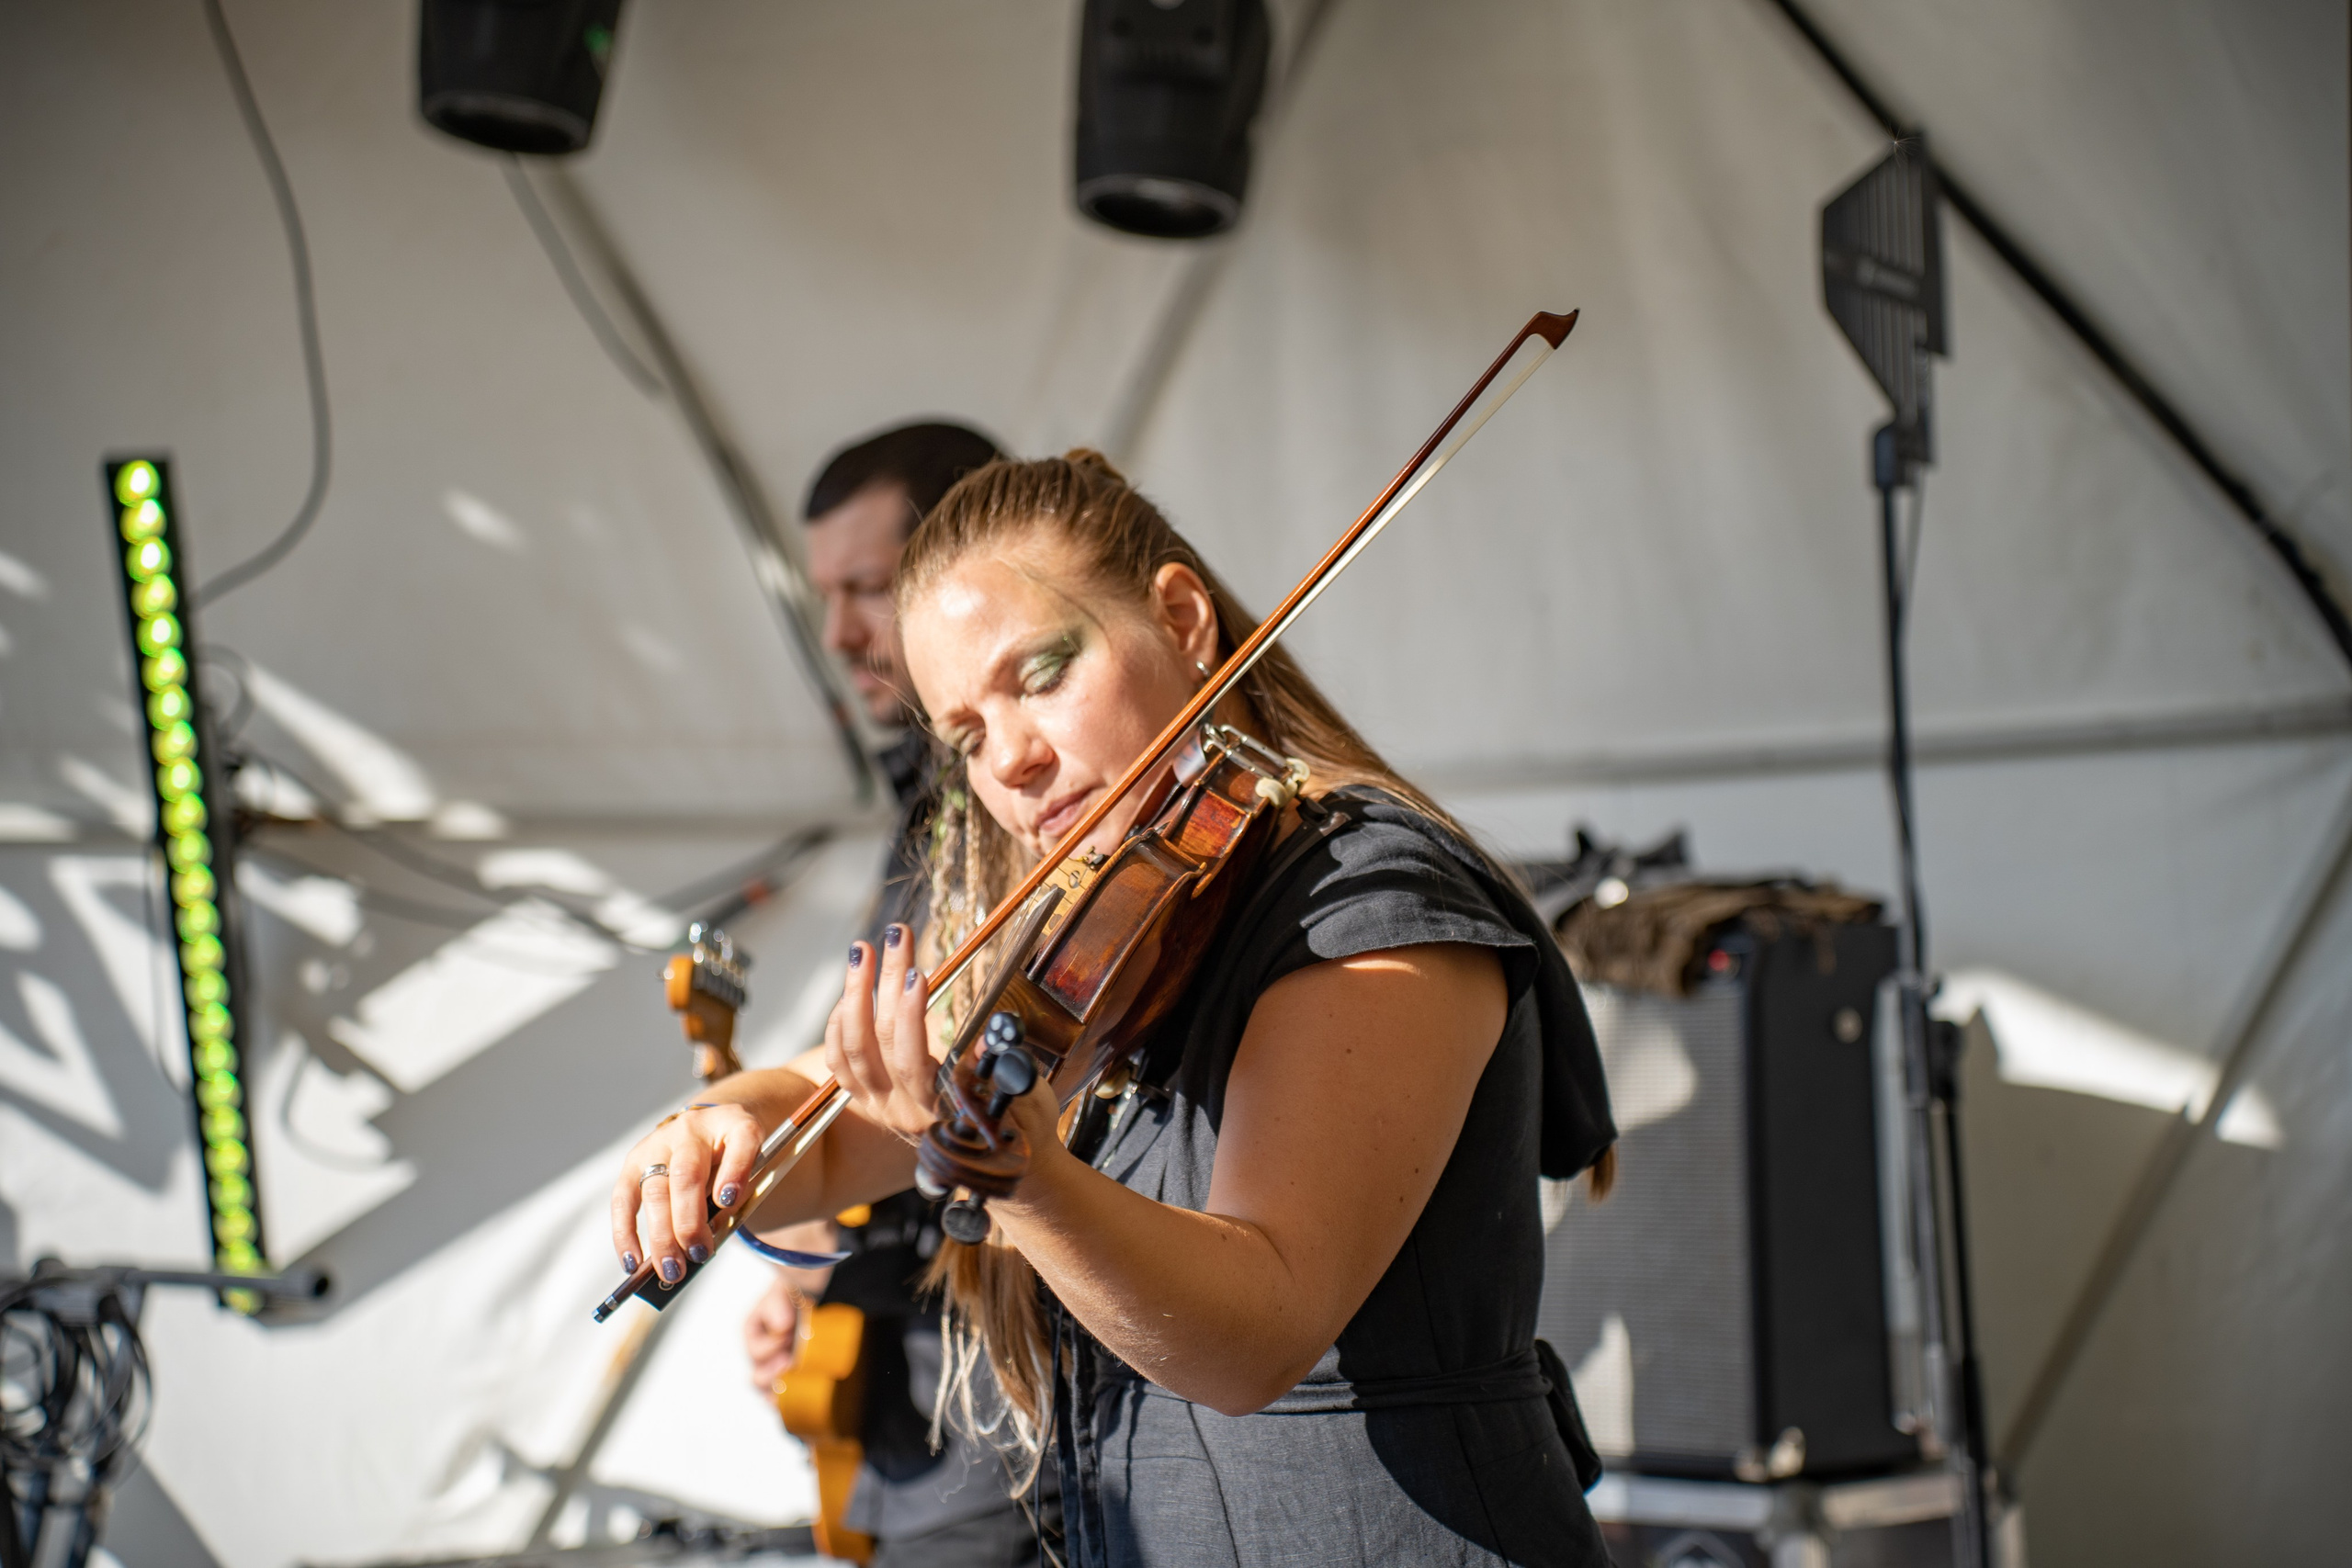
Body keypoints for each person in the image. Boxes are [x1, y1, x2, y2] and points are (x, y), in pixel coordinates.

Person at [621, 450, 1618, 1566]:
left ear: (1182, 618)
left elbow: (1260, 1331)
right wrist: (719, 1126)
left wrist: (1020, 1177)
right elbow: (829, 1115)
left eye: (1042, 675)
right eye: (966, 736)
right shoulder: (1097, 930)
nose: (1012, 760)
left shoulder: (1371, 901)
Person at [738, 421, 1057, 1565]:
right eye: (827, 594)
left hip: (1010, 1415)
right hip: (918, 1402)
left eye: (867, 588)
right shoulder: (926, 809)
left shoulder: (1025, 812)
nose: (838, 634)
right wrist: (815, 1264)